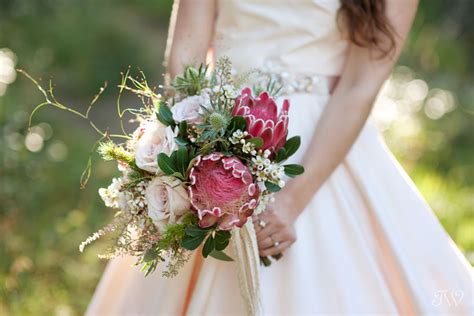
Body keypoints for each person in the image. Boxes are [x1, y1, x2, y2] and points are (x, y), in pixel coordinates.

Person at [86, 0, 474, 314]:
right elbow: (185, 56)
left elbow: (359, 87)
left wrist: (291, 200)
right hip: (218, 120)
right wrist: (190, 146)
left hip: (321, 138)